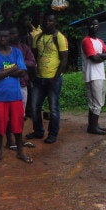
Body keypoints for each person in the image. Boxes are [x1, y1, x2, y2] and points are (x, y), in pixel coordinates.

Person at [0, 29, 32, 164]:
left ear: (9, 38)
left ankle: (20, 151)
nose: (3, 38)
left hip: (15, 95)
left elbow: (23, 71)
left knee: (17, 124)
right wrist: (13, 68)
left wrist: (3, 71)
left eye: (5, 36)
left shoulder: (17, 52)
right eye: (0, 36)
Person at [26, 11, 68, 144]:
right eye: (46, 20)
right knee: (34, 107)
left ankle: (53, 133)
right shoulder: (37, 37)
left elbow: (64, 59)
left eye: (50, 21)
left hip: (53, 79)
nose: (47, 23)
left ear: (55, 22)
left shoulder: (59, 37)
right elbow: (33, 57)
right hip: (39, 79)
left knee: (53, 108)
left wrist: (56, 77)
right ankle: (38, 131)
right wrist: (33, 75)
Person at [81, 18, 106, 135]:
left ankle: (94, 124)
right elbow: (94, 58)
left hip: (100, 75)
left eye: (97, 25)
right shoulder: (86, 41)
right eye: (92, 25)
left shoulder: (100, 41)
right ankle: (92, 127)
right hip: (92, 75)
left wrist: (101, 55)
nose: (95, 27)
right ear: (88, 27)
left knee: (98, 102)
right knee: (96, 103)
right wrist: (102, 55)